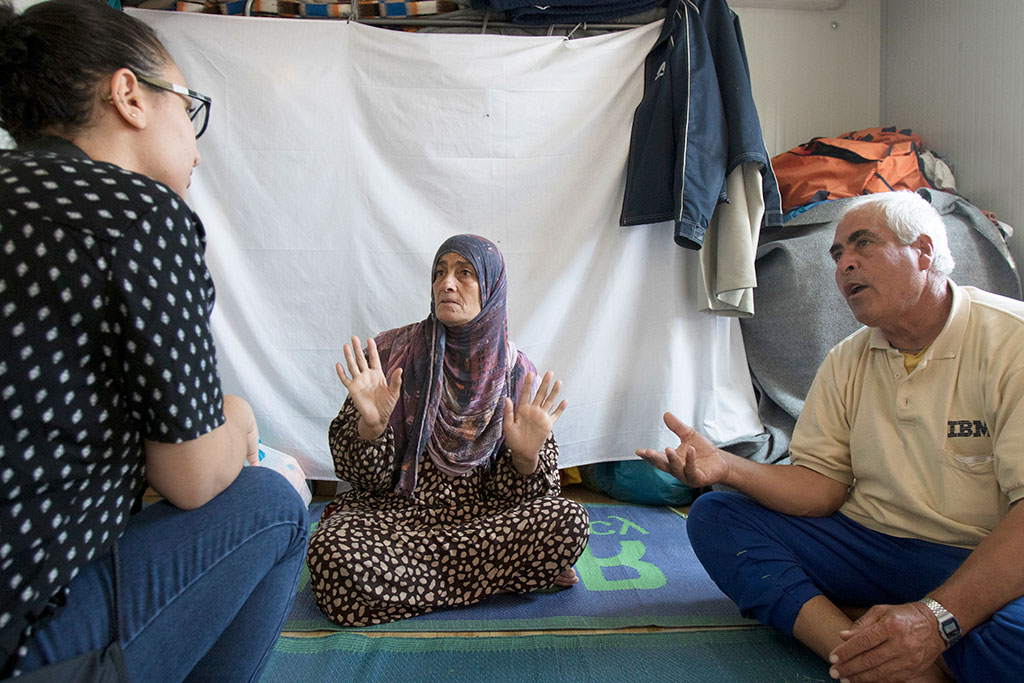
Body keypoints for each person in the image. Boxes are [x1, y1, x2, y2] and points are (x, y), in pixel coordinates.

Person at [0, 1, 308, 679]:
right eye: (188, 106)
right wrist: (240, 417)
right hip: (27, 636)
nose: (197, 146)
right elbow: (193, 477)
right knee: (277, 496)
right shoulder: (141, 215)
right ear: (129, 95)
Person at [637, 191, 1024, 682]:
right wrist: (727, 468)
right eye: (838, 254)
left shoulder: (1012, 340)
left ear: (924, 251)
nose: (845, 265)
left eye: (863, 245)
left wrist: (936, 618)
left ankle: (907, 640)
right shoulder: (846, 358)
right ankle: (863, 655)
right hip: (870, 544)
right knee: (718, 516)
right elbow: (820, 488)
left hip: (979, 558)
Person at [307, 234, 590, 626]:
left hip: (482, 519)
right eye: (439, 273)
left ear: (491, 288)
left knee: (569, 521)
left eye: (465, 273)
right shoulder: (391, 354)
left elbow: (528, 499)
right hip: (399, 516)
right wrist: (370, 428)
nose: (446, 283)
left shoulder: (516, 372)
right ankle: (508, 578)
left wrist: (526, 459)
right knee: (331, 553)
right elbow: (364, 481)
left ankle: (413, 587)